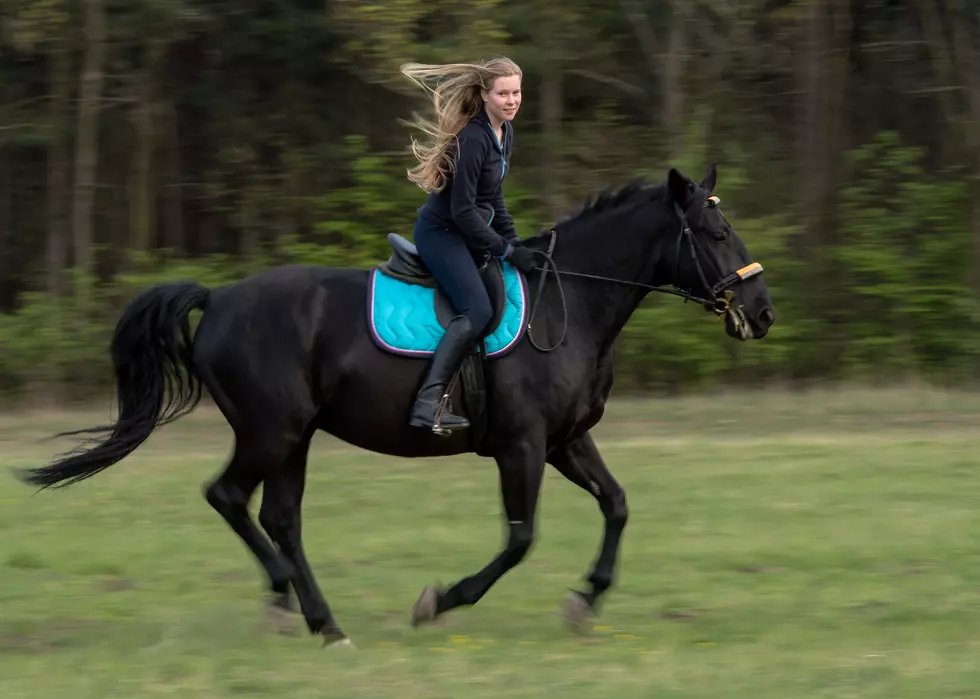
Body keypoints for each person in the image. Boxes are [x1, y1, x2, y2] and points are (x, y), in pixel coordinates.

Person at [400, 56, 537, 434]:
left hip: (469, 234)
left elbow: (494, 200)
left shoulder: (505, 133)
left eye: (517, 92)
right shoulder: (473, 139)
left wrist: (516, 244)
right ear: (484, 95)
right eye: (503, 93)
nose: (511, 100)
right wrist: (505, 250)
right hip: (442, 235)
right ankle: (427, 403)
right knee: (476, 310)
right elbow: (463, 213)